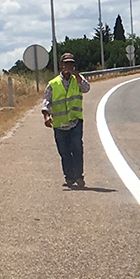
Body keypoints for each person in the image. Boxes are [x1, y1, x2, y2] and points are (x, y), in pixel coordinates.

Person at [42, 53, 90, 188]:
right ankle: (69, 177)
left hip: (75, 121)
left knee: (77, 148)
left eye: (71, 63)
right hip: (60, 124)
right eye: (67, 64)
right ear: (61, 65)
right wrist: (46, 116)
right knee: (64, 152)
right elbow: (46, 101)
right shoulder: (53, 83)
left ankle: (79, 176)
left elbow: (87, 88)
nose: (69, 66)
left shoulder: (77, 80)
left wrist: (76, 75)